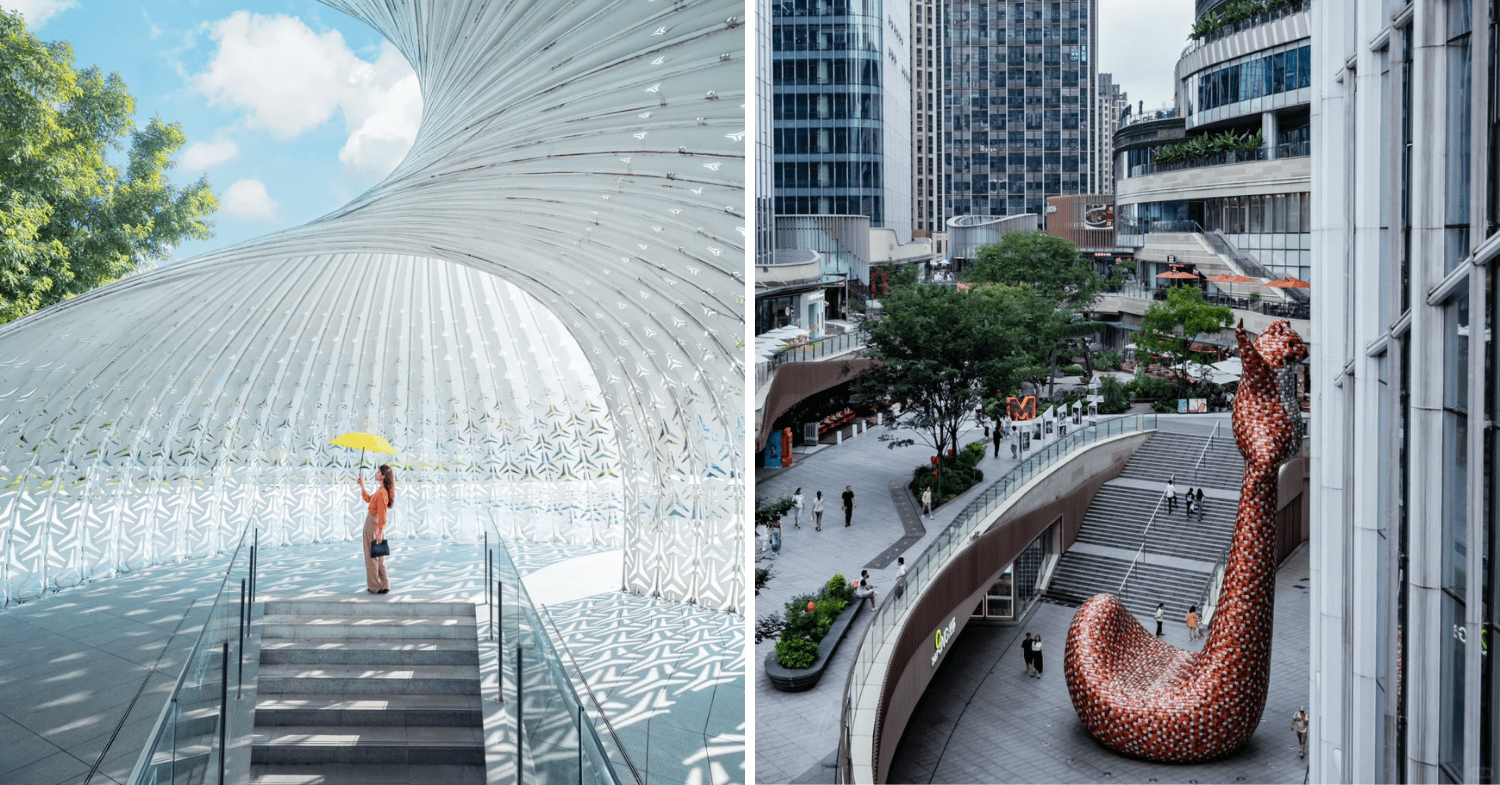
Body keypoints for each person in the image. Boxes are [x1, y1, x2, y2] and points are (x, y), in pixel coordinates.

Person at [357, 464, 395, 594]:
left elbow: (383, 513)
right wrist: (362, 485)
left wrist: (379, 531)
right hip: (376, 523)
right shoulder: (381, 491)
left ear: (383, 476)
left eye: (379, 472)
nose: (376, 474)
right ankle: (384, 584)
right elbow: (368, 499)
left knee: (371, 555)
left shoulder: (382, 493)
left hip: (373, 522)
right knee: (379, 555)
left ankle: (374, 586)